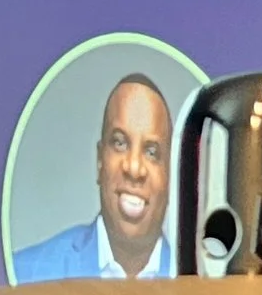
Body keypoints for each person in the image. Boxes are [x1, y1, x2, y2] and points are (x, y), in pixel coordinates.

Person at [12, 73, 175, 282]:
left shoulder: (200, 289)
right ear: (100, 161)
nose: (134, 169)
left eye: (152, 152)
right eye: (120, 143)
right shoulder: (23, 277)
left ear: (171, 177)